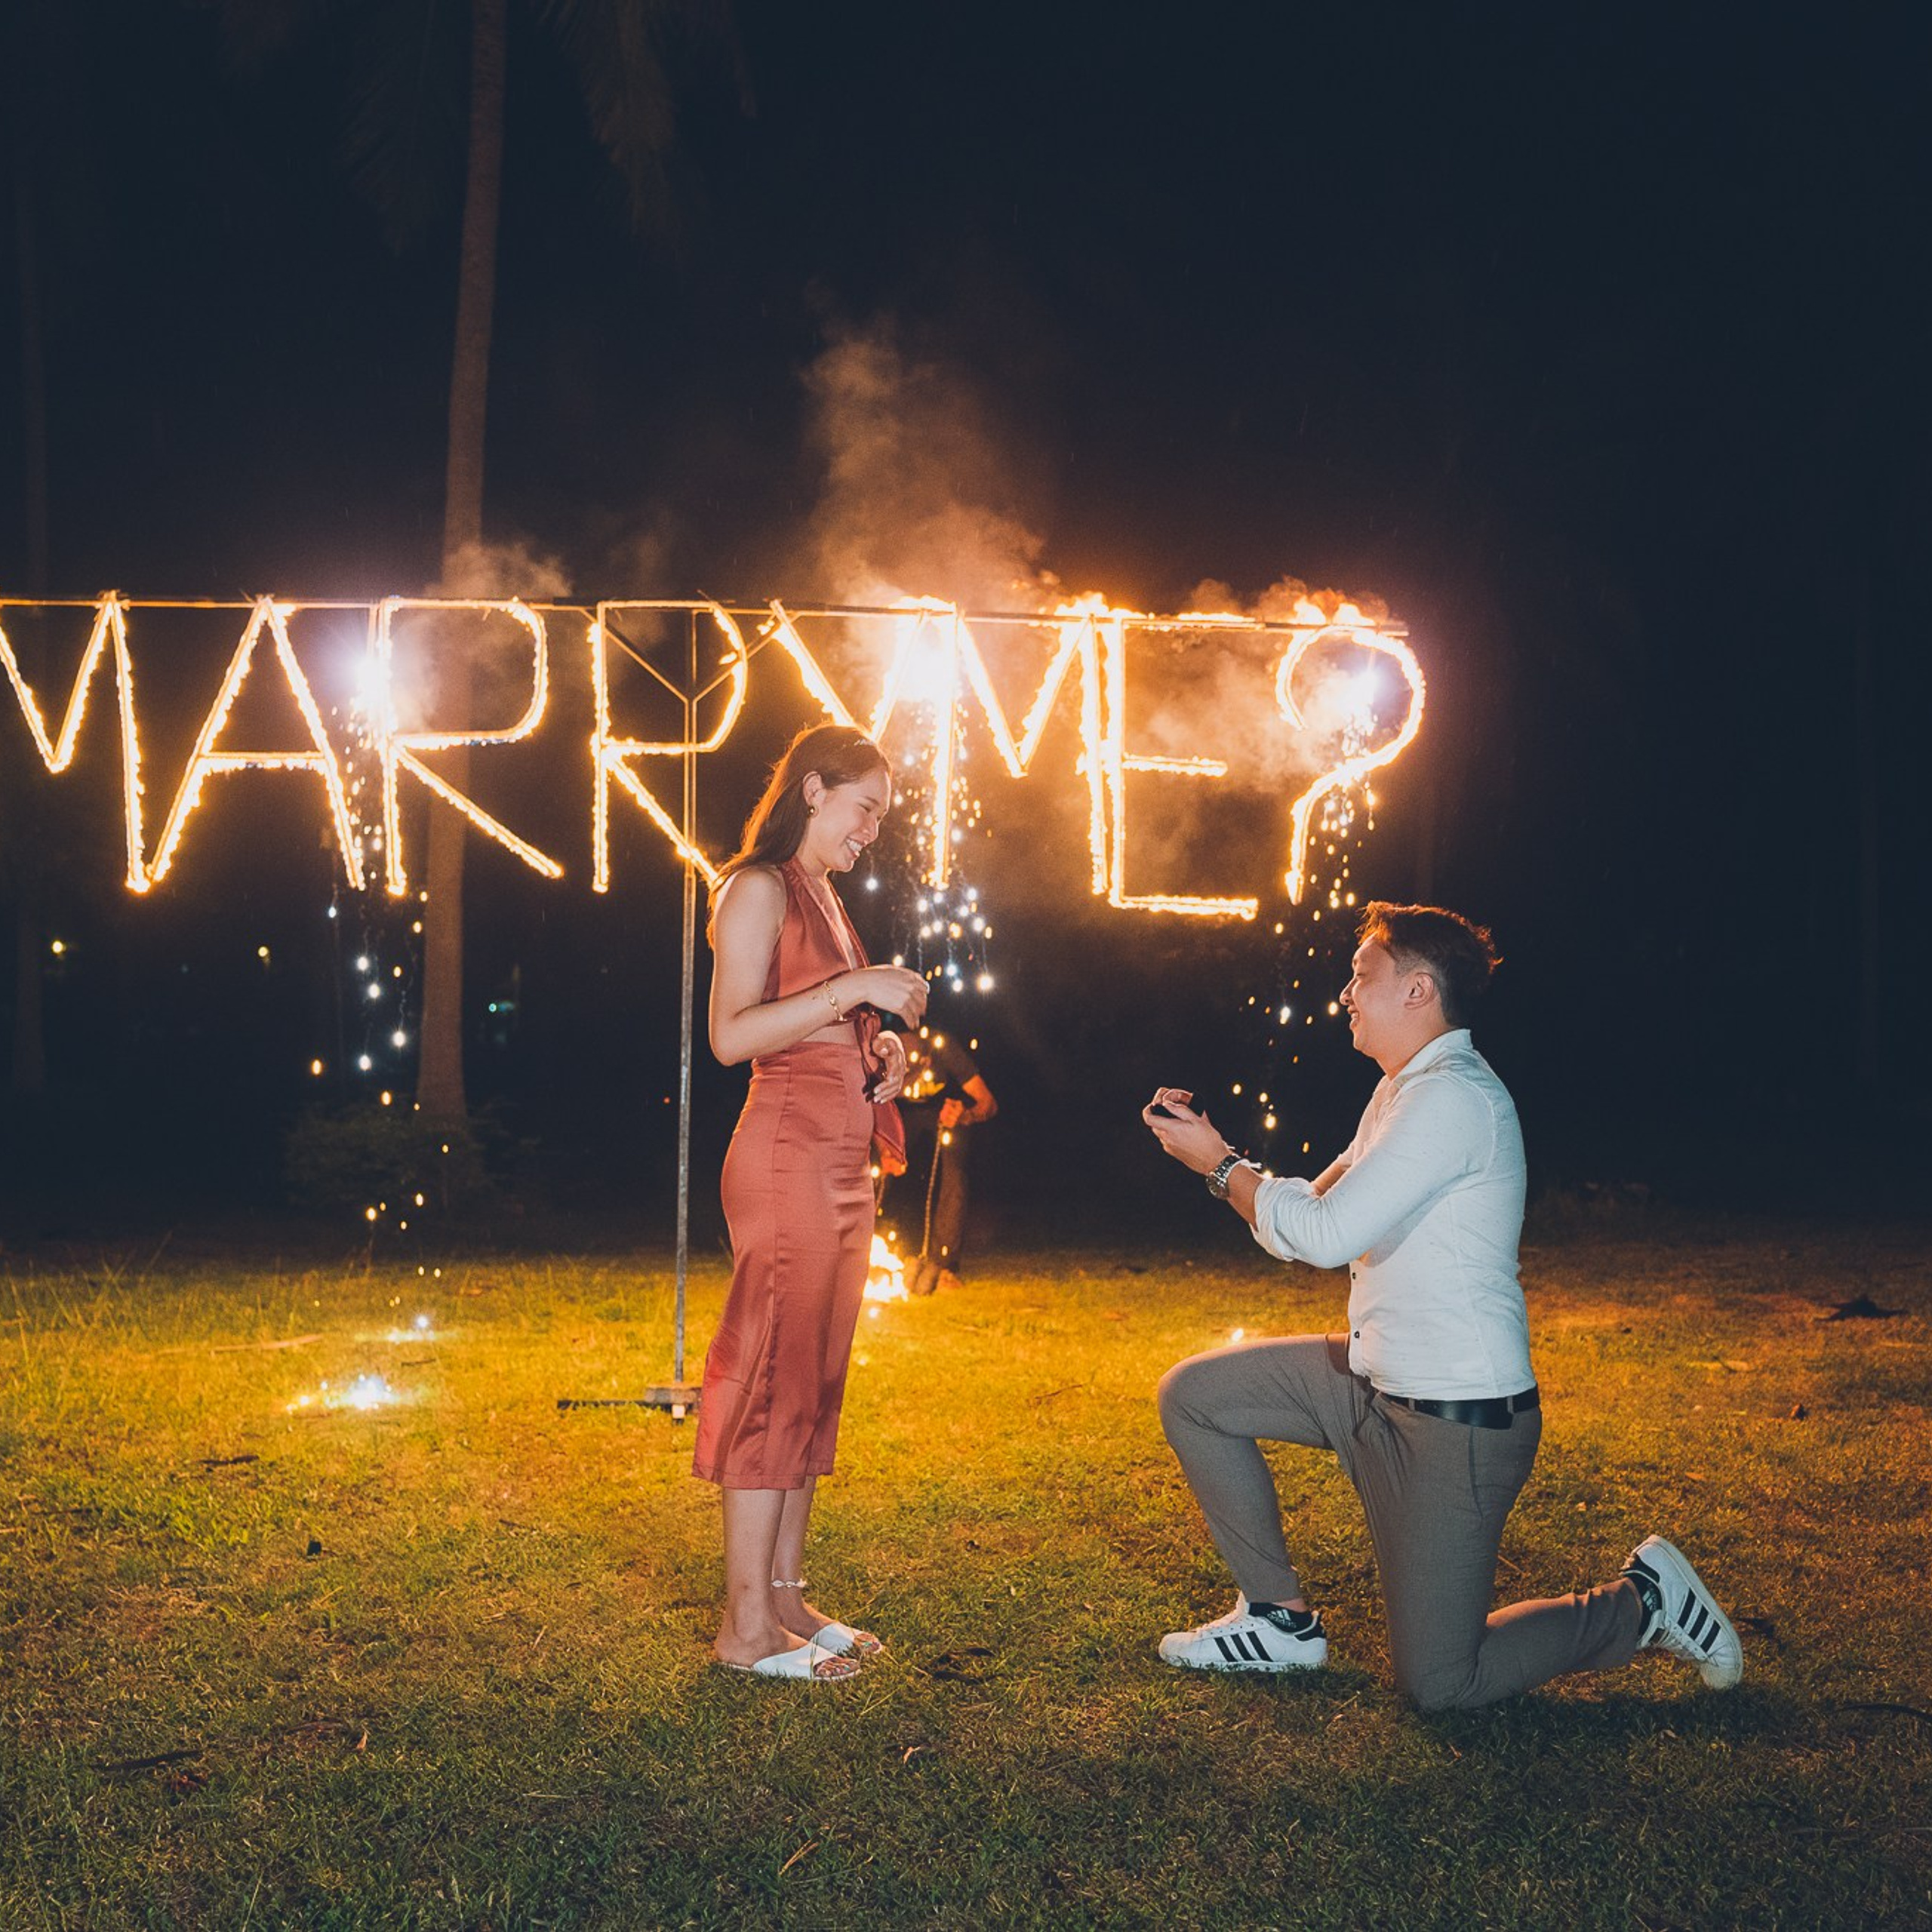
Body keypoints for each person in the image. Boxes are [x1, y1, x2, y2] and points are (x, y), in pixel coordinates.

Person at [1141, 902, 1742, 1710]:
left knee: (1441, 1684)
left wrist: (1219, 1168)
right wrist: (1224, 1162)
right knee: (1196, 1395)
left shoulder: (1454, 1099)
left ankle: (1642, 1601)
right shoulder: (1399, 1091)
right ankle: (1277, 1621)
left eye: (1363, 976)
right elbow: (1298, 1228)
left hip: (1454, 1423)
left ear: (1418, 991)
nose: (1347, 992)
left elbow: (1321, 1234)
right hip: (1369, 1383)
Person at [693, 724, 928, 1681]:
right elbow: (731, 1036)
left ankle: (786, 1596)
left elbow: (825, 1021)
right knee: (774, 1376)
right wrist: (855, 990)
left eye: (881, 815)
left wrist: (881, 1052)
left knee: (816, 1379)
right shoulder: (754, 887)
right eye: (865, 807)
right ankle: (745, 1630)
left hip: (839, 1161)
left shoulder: (824, 897)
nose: (871, 830)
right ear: (815, 787)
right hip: (783, 1156)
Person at [896, 1025, 998, 1294]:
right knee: (874, 1163)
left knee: (954, 1171)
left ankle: (944, 1265)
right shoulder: (872, 1052)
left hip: (944, 1114)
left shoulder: (943, 1048)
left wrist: (966, 1114)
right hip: (896, 1116)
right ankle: (879, 1252)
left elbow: (988, 1103)